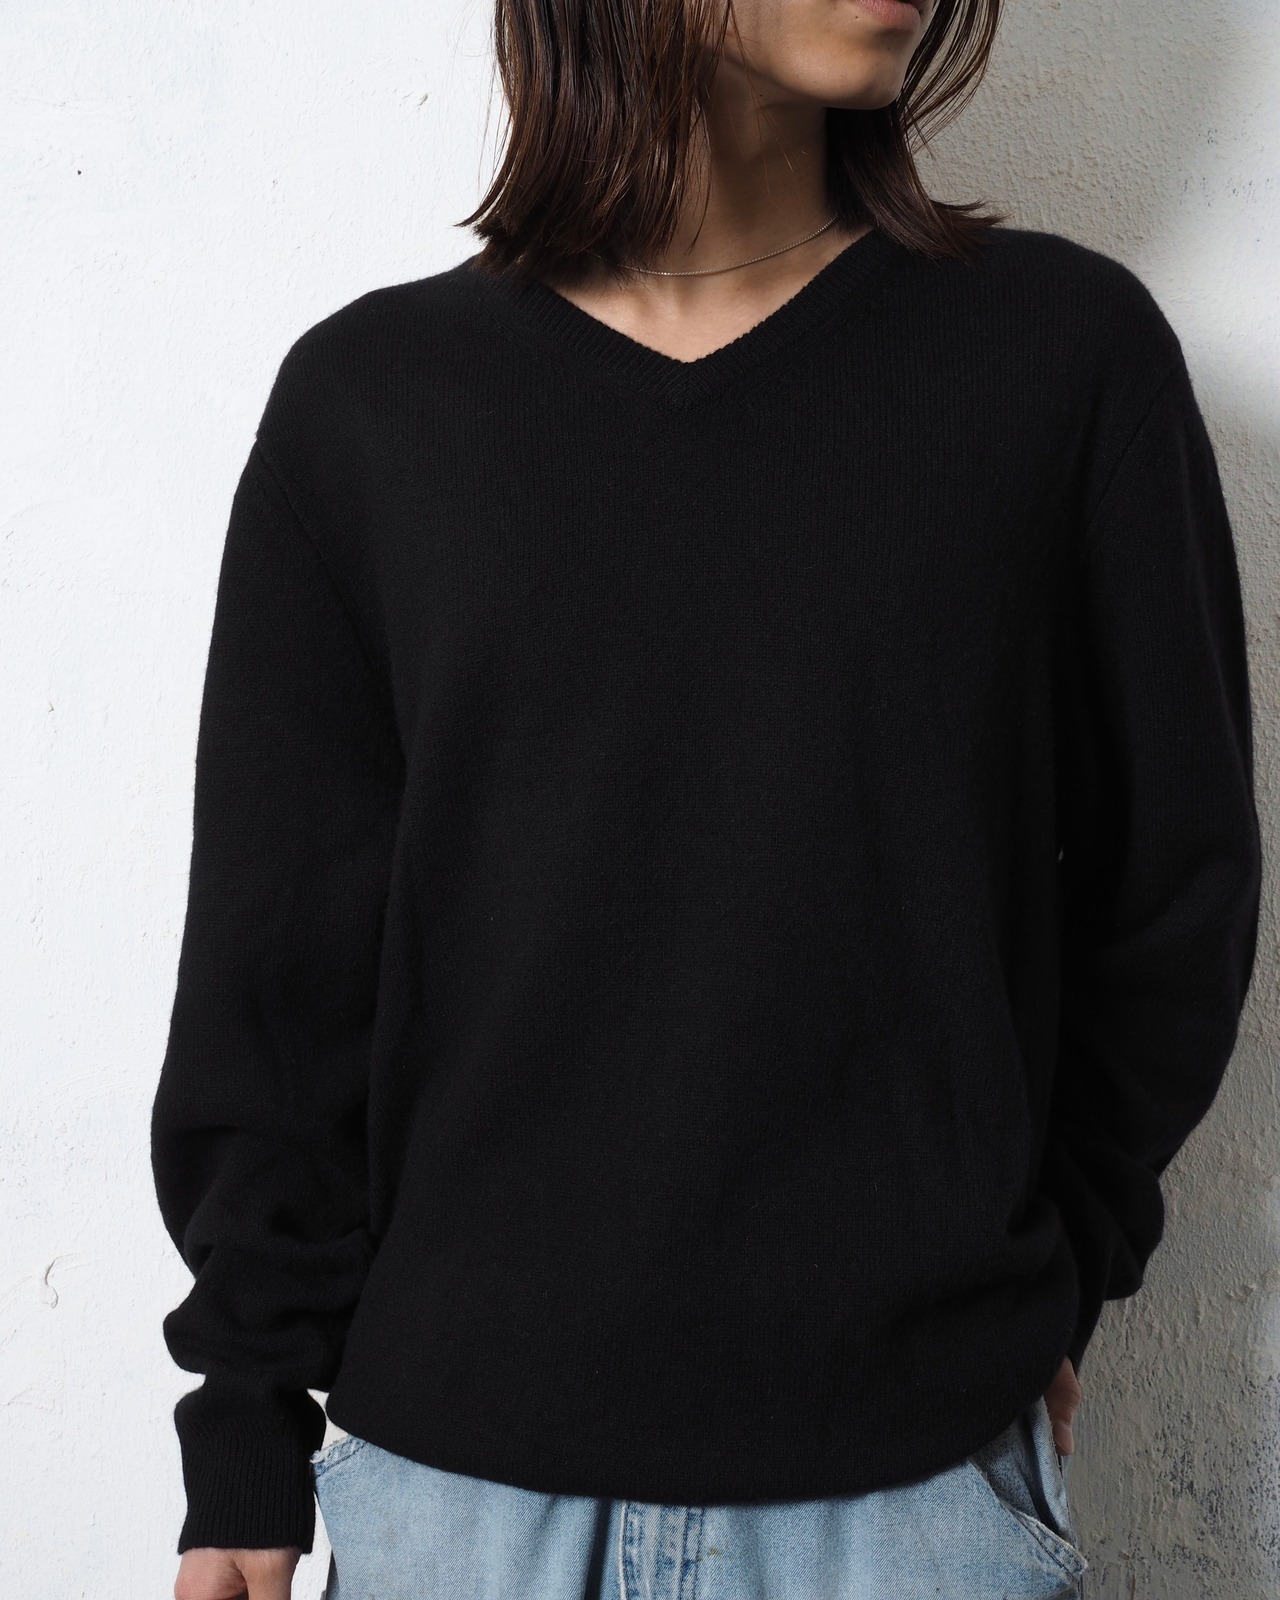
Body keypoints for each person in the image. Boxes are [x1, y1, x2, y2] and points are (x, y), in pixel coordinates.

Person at [152, 0, 1263, 1595]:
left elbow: (1176, 893)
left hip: (910, 1497)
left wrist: (1054, 1268)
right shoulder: (373, 405)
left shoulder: (1063, 359)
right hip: (458, 1505)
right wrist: (245, 1428)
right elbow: (277, 981)